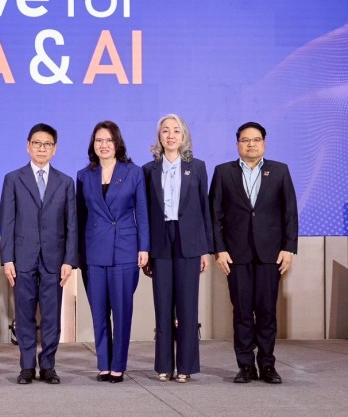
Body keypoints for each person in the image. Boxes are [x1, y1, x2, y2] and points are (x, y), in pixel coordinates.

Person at [210, 121, 298, 385]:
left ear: (264, 143)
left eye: (256, 139)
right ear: (237, 144)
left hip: (271, 254)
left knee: (267, 312)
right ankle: (246, 366)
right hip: (235, 255)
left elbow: (290, 213)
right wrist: (219, 250)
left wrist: (289, 248)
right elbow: (214, 215)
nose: (251, 144)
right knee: (242, 313)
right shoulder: (223, 172)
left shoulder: (280, 171)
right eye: (245, 140)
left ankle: (268, 365)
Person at [0, 123, 77, 385]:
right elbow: (7, 221)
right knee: (24, 315)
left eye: (47, 144)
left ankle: (48, 366)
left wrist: (69, 260)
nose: (42, 148)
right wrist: (7, 258)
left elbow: (71, 225)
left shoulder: (65, 182)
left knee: (52, 316)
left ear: (54, 149)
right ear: (28, 146)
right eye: (37, 143)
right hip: (23, 258)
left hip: (54, 259)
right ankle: (26, 366)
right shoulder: (13, 179)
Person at [142, 114, 213, 383]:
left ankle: (185, 366)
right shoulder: (148, 170)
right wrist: (145, 249)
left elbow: (204, 209)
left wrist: (205, 249)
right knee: (162, 307)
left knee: (187, 307)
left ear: (184, 136)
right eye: (165, 131)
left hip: (189, 242)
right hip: (160, 241)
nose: (170, 135)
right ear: (159, 137)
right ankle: (163, 365)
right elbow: (145, 213)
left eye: (176, 131)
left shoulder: (197, 167)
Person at [77, 120, 149, 383]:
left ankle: (118, 365)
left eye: (108, 140)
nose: (104, 145)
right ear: (93, 145)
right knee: (99, 313)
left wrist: (144, 247)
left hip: (125, 250)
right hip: (94, 251)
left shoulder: (134, 172)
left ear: (117, 143)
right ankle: (103, 365)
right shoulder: (84, 175)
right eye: (99, 140)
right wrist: (77, 255)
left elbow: (142, 212)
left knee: (121, 312)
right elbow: (80, 218)